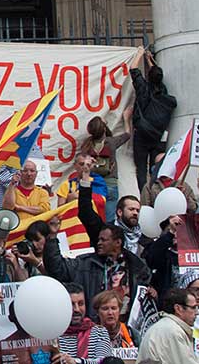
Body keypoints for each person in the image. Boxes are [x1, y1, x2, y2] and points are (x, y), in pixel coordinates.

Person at [43, 221, 151, 322]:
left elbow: (144, 296)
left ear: (118, 242)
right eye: (99, 239)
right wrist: (52, 237)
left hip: (125, 329)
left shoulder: (138, 268)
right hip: (94, 326)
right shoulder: (85, 263)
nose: (98, 243)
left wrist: (151, 291)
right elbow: (57, 268)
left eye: (103, 240)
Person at [75, 157, 145, 256]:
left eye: (138, 210)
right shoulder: (104, 231)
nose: (135, 213)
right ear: (119, 212)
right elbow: (85, 211)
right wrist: (86, 176)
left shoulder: (144, 238)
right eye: (131, 209)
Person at [130, 49, 176, 191]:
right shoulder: (165, 95)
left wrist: (139, 53)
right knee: (156, 167)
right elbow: (156, 76)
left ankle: (144, 194)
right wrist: (150, 60)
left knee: (141, 169)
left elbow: (133, 69)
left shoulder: (143, 89)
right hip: (157, 136)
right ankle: (157, 192)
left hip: (142, 135)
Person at [136, 288, 199, 364]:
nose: (197, 312)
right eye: (193, 308)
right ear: (178, 309)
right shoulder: (173, 332)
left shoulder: (168, 327)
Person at [80, 114, 132, 222]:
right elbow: (127, 134)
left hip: (94, 183)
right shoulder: (111, 142)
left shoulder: (86, 145)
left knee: (93, 216)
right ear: (104, 128)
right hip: (110, 183)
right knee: (108, 218)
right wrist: (126, 118)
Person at [56, 283, 114, 364]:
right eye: (71, 304)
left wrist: (76, 362)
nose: (77, 309)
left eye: (80, 304)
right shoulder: (54, 334)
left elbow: (103, 361)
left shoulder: (99, 332)